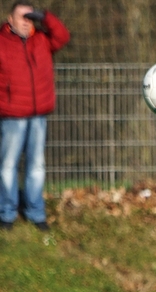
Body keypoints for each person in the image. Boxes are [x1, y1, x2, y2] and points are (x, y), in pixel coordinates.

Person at [0, 3, 69, 230]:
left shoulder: (41, 39)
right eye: (22, 17)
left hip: (39, 114)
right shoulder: (2, 42)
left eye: (30, 17)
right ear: (10, 19)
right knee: (7, 165)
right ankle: (7, 213)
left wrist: (46, 18)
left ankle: (36, 212)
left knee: (36, 165)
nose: (26, 21)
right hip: (12, 115)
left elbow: (62, 36)